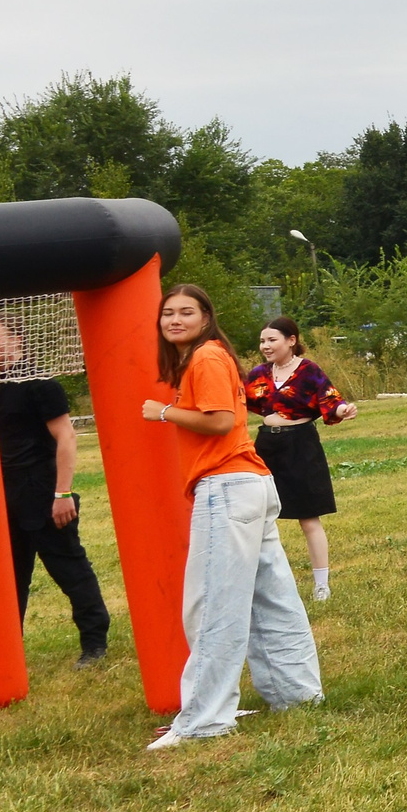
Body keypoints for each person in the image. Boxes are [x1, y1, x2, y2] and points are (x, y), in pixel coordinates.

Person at [143, 283, 324, 748]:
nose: (175, 320)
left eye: (187, 312)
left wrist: (164, 412)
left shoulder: (204, 358)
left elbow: (222, 419)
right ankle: (296, 694)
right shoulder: (213, 356)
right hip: (252, 486)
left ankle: (204, 719)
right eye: (168, 313)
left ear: (206, 317)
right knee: (271, 599)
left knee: (213, 605)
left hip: (227, 486)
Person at [0, 313, 110, 666]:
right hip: (7, 497)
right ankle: (8, 649)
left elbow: (66, 437)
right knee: (10, 577)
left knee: (69, 569)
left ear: (17, 340)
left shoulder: (40, 383)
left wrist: (62, 494)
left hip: (43, 492)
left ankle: (94, 642)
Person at [244, 317, 357, 602]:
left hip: (300, 446)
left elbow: (331, 400)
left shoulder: (309, 371)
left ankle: (322, 584)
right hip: (266, 446)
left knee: (308, 518)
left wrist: (343, 410)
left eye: (272, 340)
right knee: (256, 517)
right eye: (262, 341)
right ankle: (258, 585)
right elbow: (237, 401)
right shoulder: (258, 374)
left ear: (291, 340)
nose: (265, 346)